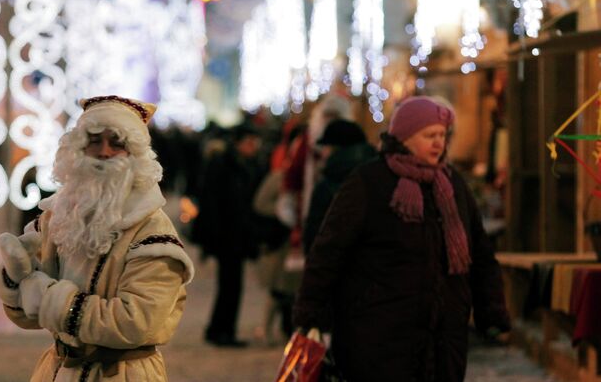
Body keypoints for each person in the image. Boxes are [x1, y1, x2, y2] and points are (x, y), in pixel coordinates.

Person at [293, 96, 510, 382]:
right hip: (377, 337)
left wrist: (490, 310)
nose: (438, 144)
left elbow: (479, 255)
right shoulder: (370, 183)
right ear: (405, 137)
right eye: (429, 136)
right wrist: (311, 314)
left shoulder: (452, 185)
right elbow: (329, 251)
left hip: (443, 341)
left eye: (442, 136)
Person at [0, 95, 194, 382]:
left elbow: (135, 322)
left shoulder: (151, 231)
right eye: (94, 140)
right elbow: (29, 316)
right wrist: (17, 280)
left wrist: (48, 297)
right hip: (57, 370)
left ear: (134, 155)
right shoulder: (58, 218)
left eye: (117, 143)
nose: (104, 152)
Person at [191, 123, 265, 347]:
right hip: (227, 236)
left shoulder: (242, 163)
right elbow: (214, 203)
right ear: (239, 143)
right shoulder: (224, 164)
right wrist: (214, 237)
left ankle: (219, 328)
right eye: (250, 143)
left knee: (231, 285)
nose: (253, 147)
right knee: (230, 285)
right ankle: (222, 331)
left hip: (235, 235)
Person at [303, 119, 376, 254]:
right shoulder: (377, 176)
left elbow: (315, 238)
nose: (323, 152)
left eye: (326, 147)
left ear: (336, 149)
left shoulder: (326, 186)